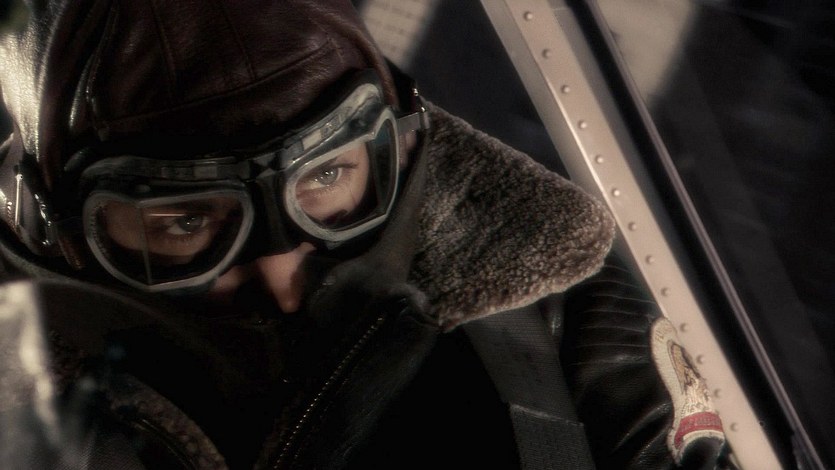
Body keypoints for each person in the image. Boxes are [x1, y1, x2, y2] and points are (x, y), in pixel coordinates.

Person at [0, 0, 732, 468]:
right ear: (51, 224)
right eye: (188, 222)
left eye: (325, 178)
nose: (284, 278)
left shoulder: (563, 322)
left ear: (398, 148)